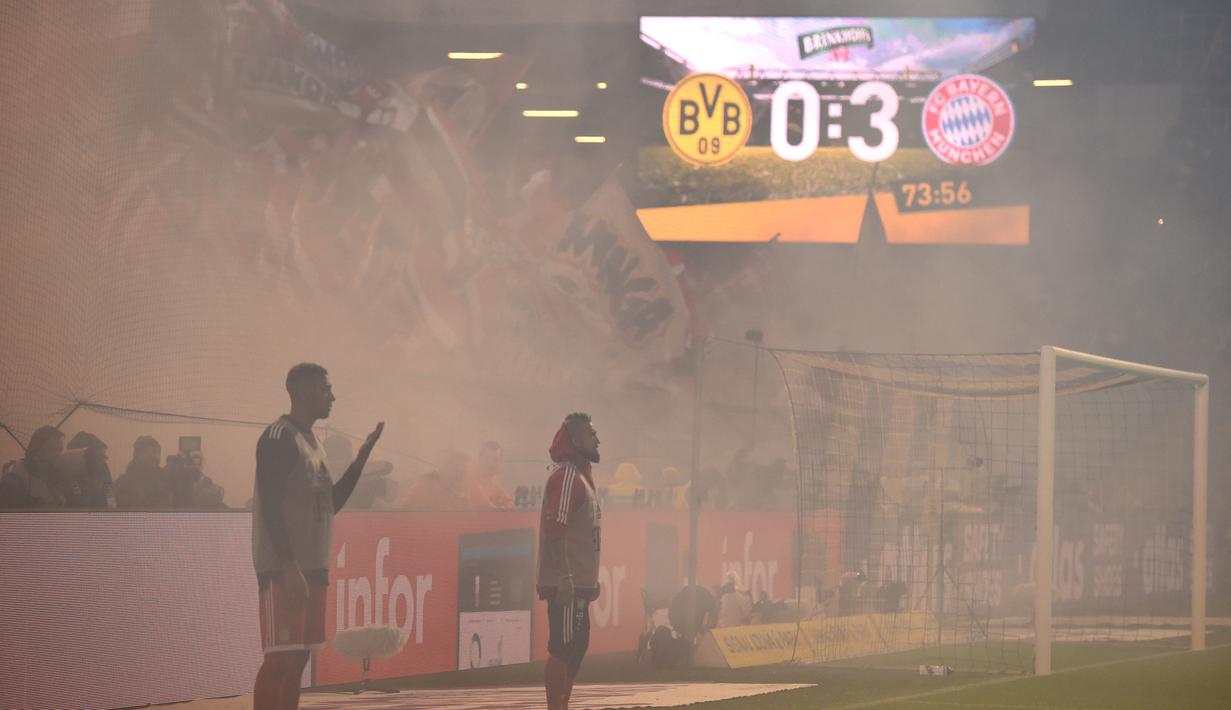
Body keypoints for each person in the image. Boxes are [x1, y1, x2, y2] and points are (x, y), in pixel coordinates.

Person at [251, 363, 383, 710]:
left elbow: (330, 504)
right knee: (280, 659)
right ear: (304, 391)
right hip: (286, 568)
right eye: (326, 389)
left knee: (298, 661)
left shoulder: (312, 441)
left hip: (313, 566)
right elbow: (269, 505)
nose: (332, 396)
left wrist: (358, 463)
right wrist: (288, 565)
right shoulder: (278, 437)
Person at [537, 413, 602, 710]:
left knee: (577, 645)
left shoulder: (581, 477)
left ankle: (562, 702)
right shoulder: (566, 477)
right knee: (563, 647)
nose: (597, 439)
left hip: (579, 582)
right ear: (575, 440)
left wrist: (589, 580)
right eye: (591, 433)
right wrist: (564, 577)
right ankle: (556, 706)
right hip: (567, 583)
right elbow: (555, 530)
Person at [0, 426, 67, 508]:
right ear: (36, 452)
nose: (59, 455)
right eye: (53, 449)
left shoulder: (54, 474)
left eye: (60, 450)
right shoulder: (12, 481)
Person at [114, 436, 172, 509]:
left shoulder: (164, 478)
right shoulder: (124, 482)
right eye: (147, 452)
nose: (154, 456)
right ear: (137, 454)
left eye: (156, 452)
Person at [63, 431, 117, 508]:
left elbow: (110, 499)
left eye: (104, 457)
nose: (104, 460)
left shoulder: (103, 469)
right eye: (99, 456)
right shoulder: (68, 476)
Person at [398, 450, 467, 509]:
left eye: (462, 472)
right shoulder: (425, 484)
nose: (458, 476)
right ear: (443, 468)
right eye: (455, 470)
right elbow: (405, 512)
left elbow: (467, 517)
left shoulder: (463, 490)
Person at [464, 440, 513, 509]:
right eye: (487, 458)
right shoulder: (470, 477)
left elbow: (509, 501)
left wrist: (504, 507)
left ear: (500, 462)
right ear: (479, 458)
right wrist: (502, 509)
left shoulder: (492, 478)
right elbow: (489, 510)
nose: (491, 463)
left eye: (495, 459)